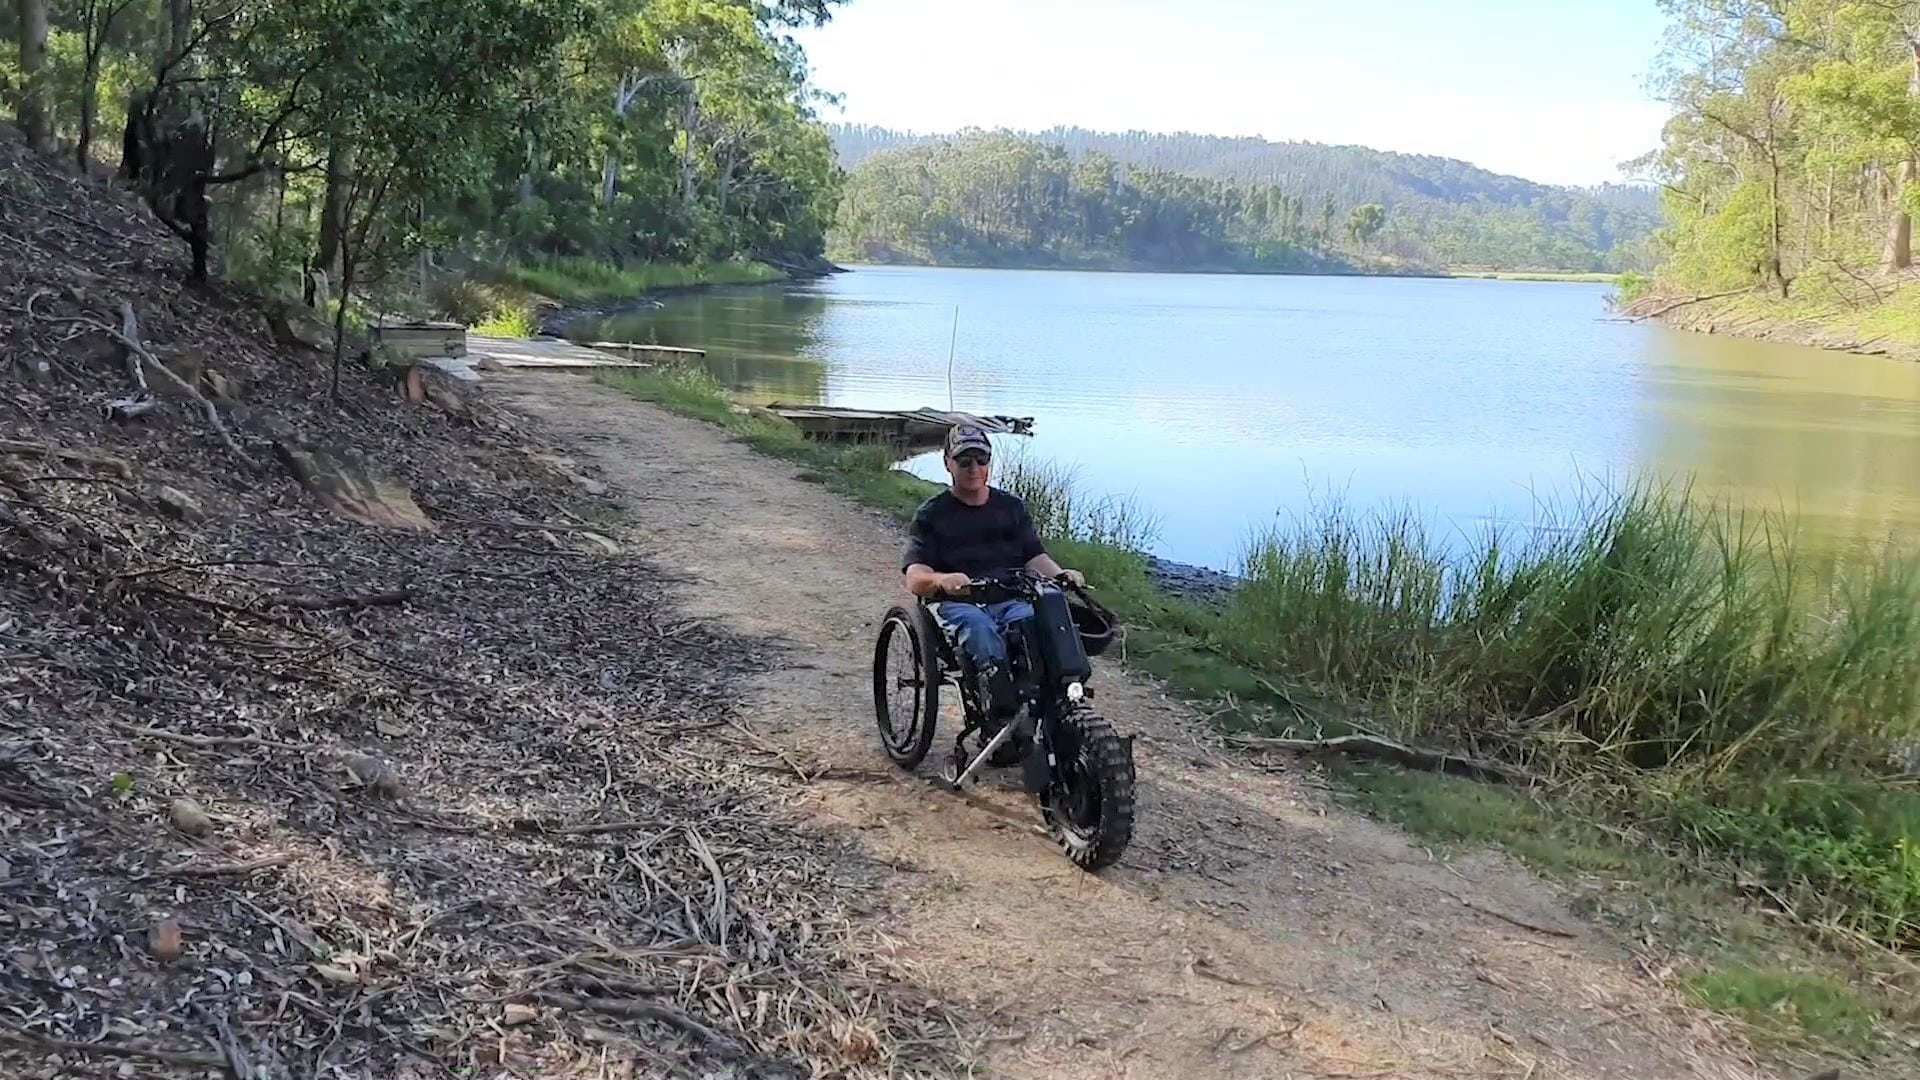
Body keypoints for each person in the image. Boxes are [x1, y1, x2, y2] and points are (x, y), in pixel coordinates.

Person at [901, 422, 1085, 746]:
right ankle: (996, 719)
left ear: (989, 463)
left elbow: (1034, 557)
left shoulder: (1010, 507)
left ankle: (1049, 711)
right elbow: (915, 577)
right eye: (965, 461)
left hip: (1009, 598)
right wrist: (942, 579)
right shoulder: (932, 514)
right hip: (956, 603)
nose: (974, 468)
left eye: (981, 460)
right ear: (948, 463)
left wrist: (1061, 576)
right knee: (982, 633)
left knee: (1038, 629)